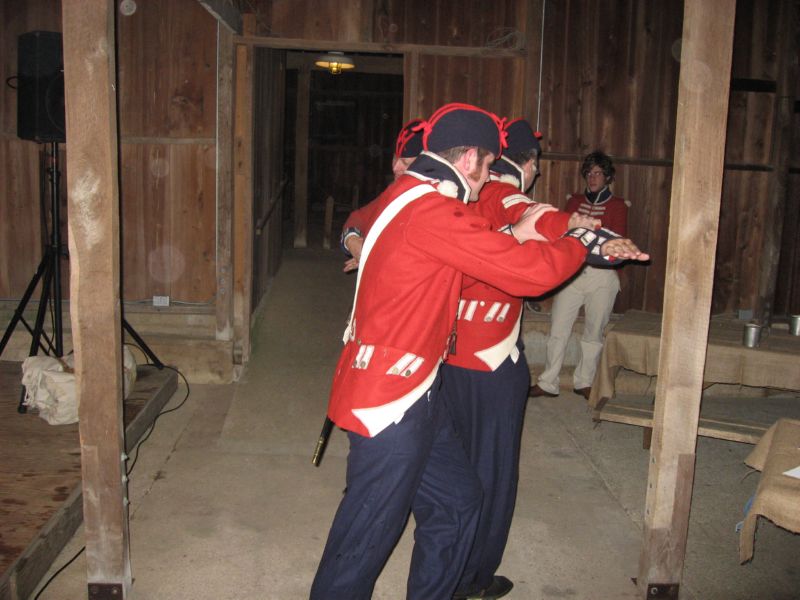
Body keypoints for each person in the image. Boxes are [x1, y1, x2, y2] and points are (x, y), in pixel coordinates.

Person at [311, 104, 648, 600]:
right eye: (489, 164)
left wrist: (551, 238)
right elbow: (527, 274)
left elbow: (468, 269)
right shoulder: (431, 209)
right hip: (389, 403)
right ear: (469, 158)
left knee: (458, 502)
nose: (491, 176)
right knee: (363, 540)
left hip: (421, 391)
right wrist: (579, 242)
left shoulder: (411, 196)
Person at [442, 119, 605, 600]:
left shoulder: (451, 194)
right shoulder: (503, 192)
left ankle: (445, 565)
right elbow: (535, 214)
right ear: (529, 164)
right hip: (490, 362)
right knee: (491, 476)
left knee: (454, 469)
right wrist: (577, 228)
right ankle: (472, 578)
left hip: (446, 356)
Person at [531, 151, 631, 400]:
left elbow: (615, 240)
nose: (592, 178)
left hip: (602, 275)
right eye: (589, 173)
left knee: (594, 331)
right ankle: (548, 382)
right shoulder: (574, 202)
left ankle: (584, 381)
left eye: (598, 173)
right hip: (573, 272)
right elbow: (564, 235)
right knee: (558, 328)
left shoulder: (618, 206)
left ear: (607, 177)